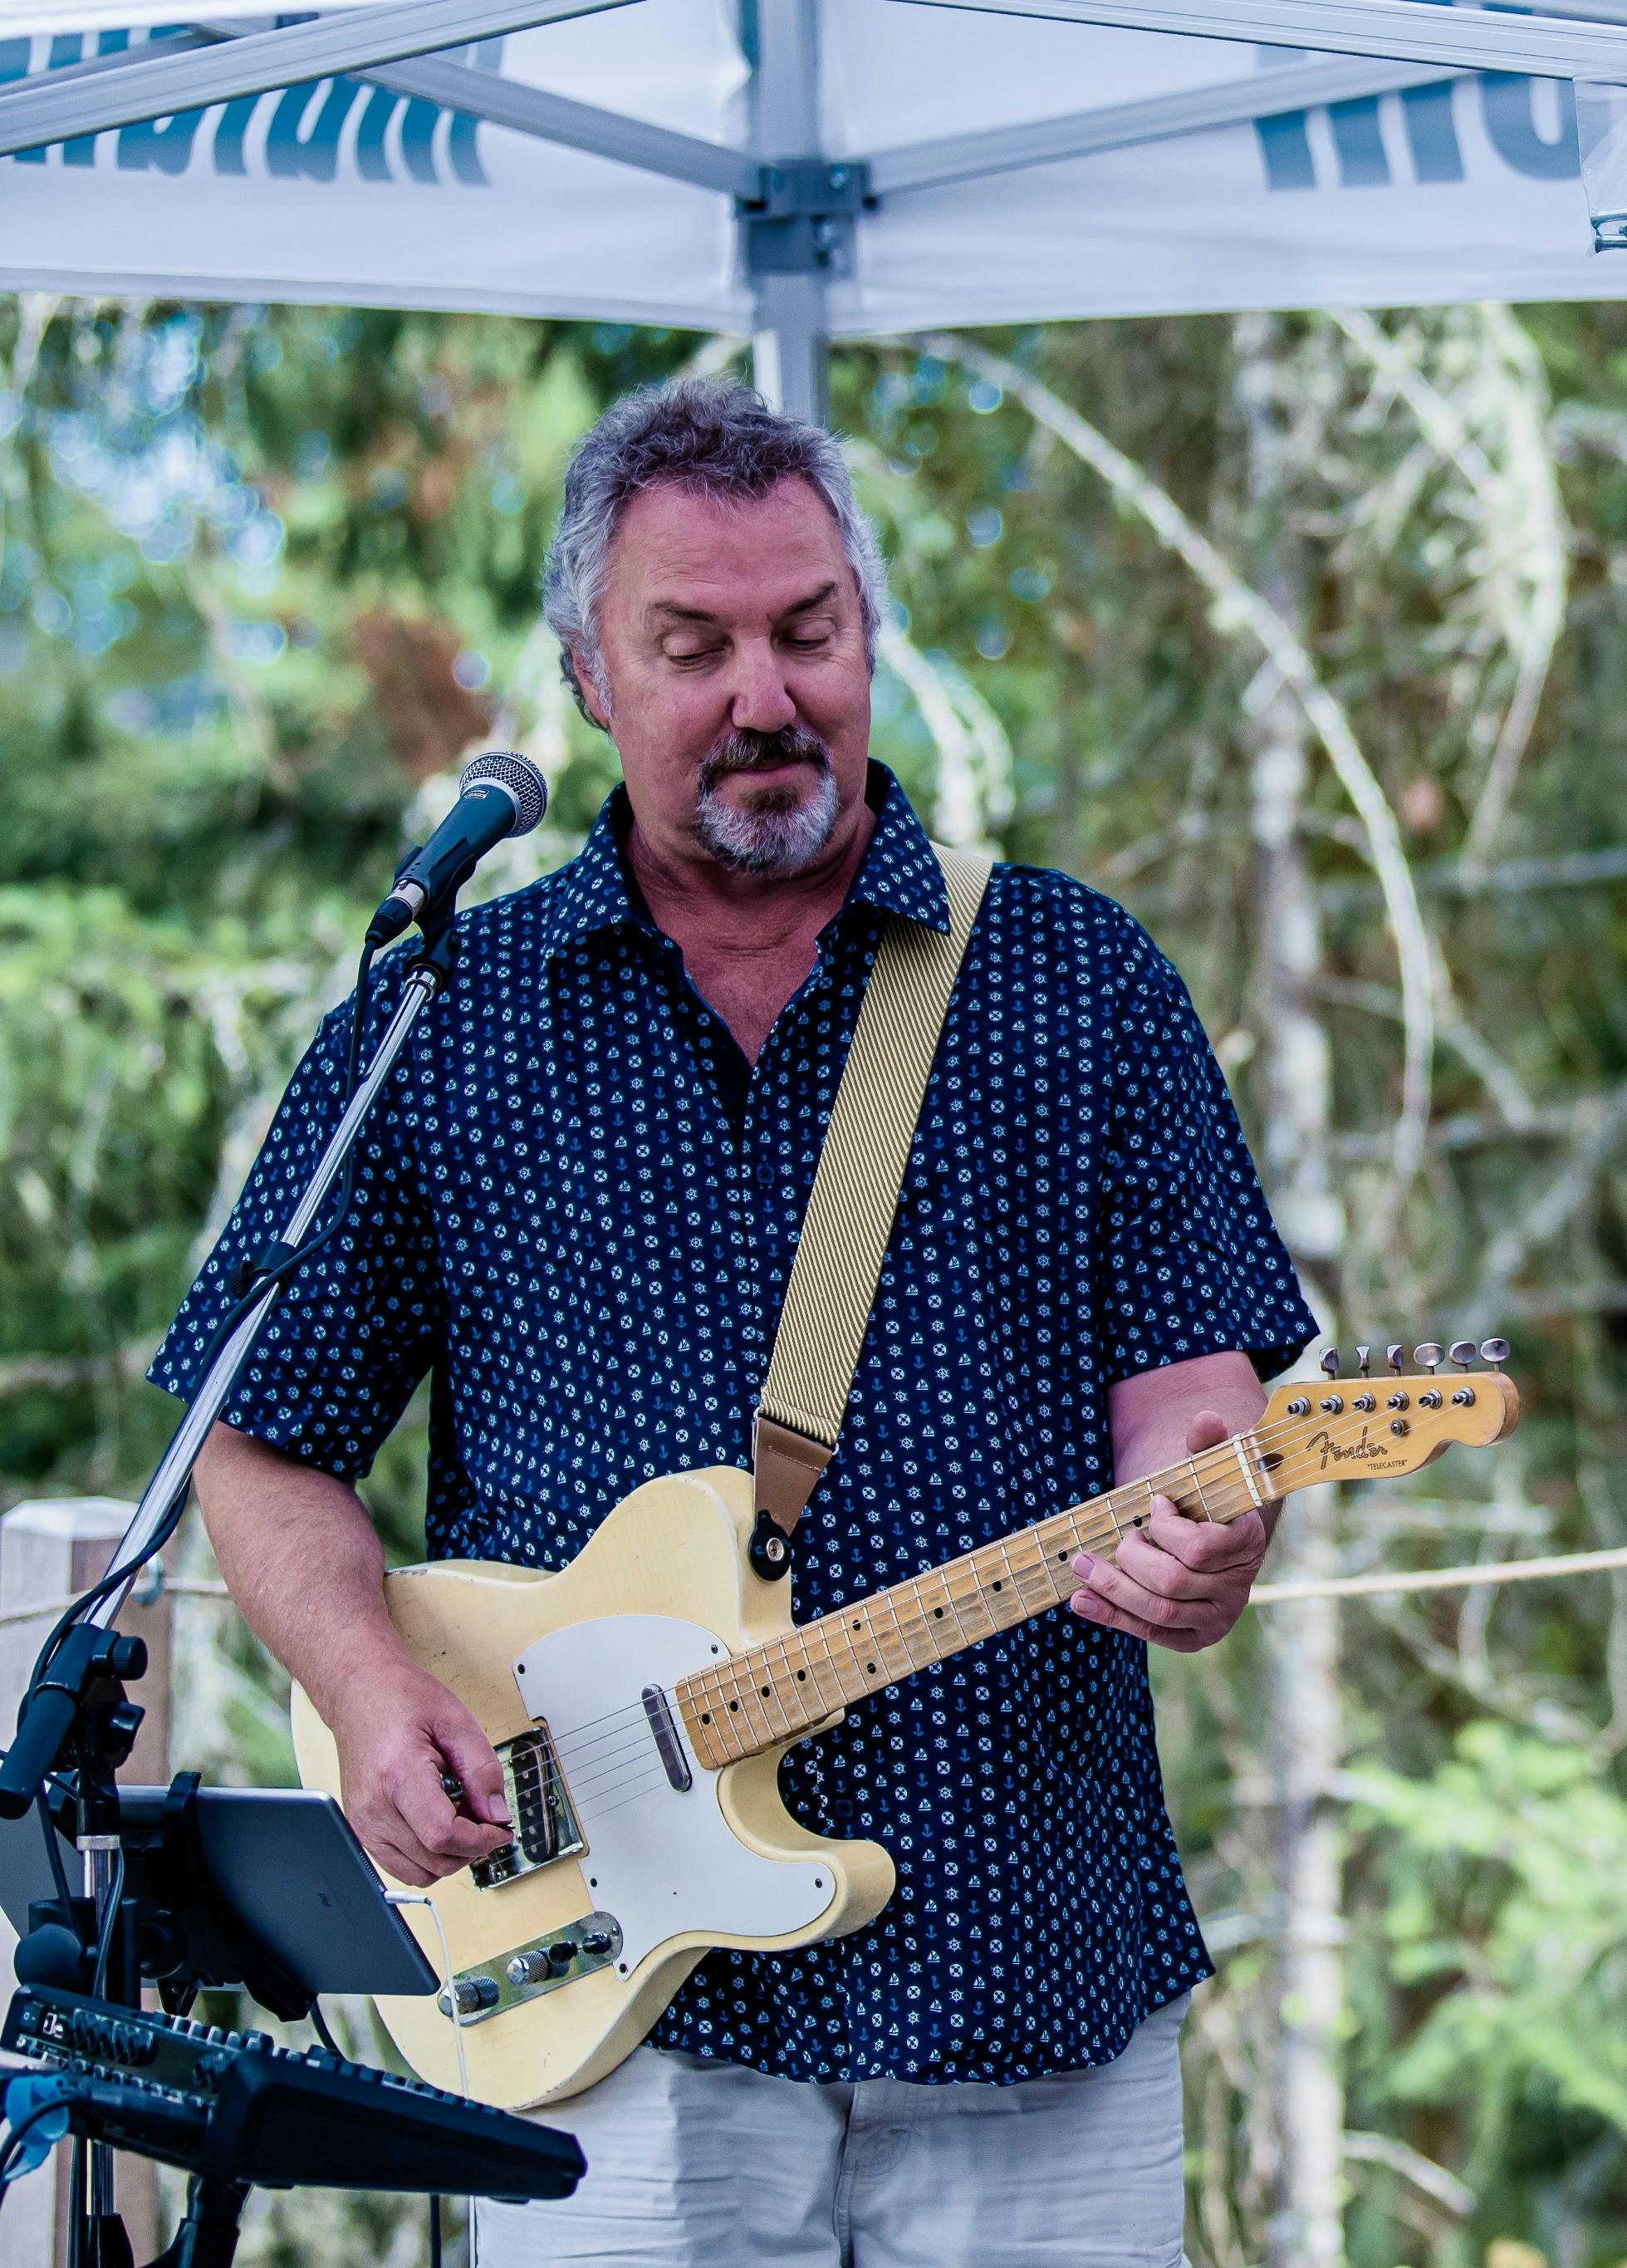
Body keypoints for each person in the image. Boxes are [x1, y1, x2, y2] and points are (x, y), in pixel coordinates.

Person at [151, 376, 1316, 2266]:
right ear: (590, 680)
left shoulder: (1073, 974)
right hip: (607, 2001)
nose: (766, 696)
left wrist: (1208, 1527)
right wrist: (371, 1695)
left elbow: (1191, 1404)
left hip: (1024, 1959)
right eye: (692, 647)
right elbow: (258, 1429)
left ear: (869, 634)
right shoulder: (448, 1010)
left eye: (811, 631)